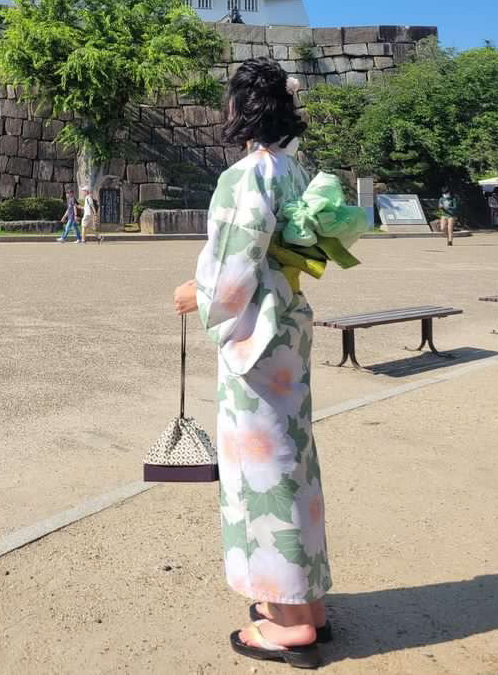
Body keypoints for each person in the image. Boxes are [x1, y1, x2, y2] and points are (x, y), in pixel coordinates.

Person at [173, 57, 329, 667]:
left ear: (240, 110)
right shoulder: (297, 172)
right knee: (296, 458)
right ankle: (305, 600)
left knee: (263, 471)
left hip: (255, 341)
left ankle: (289, 620)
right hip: (288, 329)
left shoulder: (245, 176)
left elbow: (235, 269)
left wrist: (196, 294)